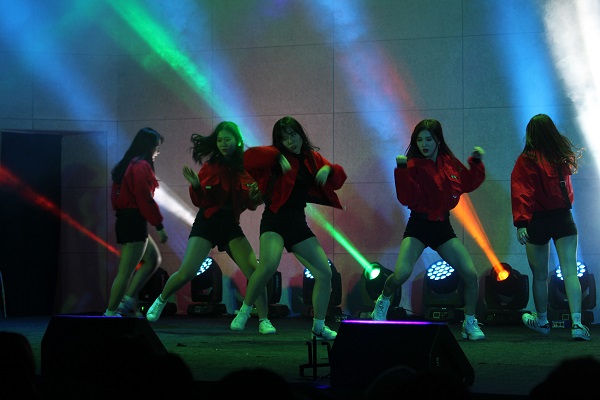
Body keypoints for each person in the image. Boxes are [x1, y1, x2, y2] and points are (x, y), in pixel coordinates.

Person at [145, 121, 275, 334]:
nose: (223, 143)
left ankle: (264, 320)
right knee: (187, 272)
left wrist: (256, 197)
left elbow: (250, 203)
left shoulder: (246, 168)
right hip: (207, 222)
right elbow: (200, 201)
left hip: (230, 225)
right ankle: (160, 300)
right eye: (220, 140)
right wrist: (196, 185)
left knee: (254, 272)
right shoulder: (210, 166)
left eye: (227, 139)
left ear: (238, 141)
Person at [231, 116, 347, 340]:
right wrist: (275, 155)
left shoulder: (311, 158)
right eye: (284, 138)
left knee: (325, 273)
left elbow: (338, 180)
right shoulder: (274, 157)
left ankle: (319, 327)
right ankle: (244, 312)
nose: (290, 141)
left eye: (293, 135)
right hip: (275, 219)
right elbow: (248, 158)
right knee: (268, 265)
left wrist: (329, 170)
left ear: (300, 134)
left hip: (297, 223)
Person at [370, 118, 486, 341]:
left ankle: (469, 322)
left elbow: (468, 182)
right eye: (420, 140)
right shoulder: (412, 164)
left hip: (442, 227)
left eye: (429, 140)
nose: (424, 144)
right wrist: (401, 170)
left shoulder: (449, 162)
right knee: (401, 274)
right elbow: (405, 198)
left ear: (438, 141)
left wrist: (476, 162)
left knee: (471, 275)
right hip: (419, 226)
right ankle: (382, 302)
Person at [511, 113, 589, 340]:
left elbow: (522, 192)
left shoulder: (526, 159)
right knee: (570, 272)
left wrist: (521, 223)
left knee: (539, 275)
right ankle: (577, 324)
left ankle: (542, 321)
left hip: (537, 219)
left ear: (530, 134)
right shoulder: (562, 157)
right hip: (563, 217)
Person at [104, 127, 168, 317]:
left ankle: (126, 302)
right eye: (156, 147)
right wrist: (159, 226)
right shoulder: (140, 166)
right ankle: (110, 313)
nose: (157, 152)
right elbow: (144, 199)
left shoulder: (128, 164)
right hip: (133, 221)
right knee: (125, 272)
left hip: (126, 220)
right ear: (149, 147)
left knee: (153, 259)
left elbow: (117, 197)